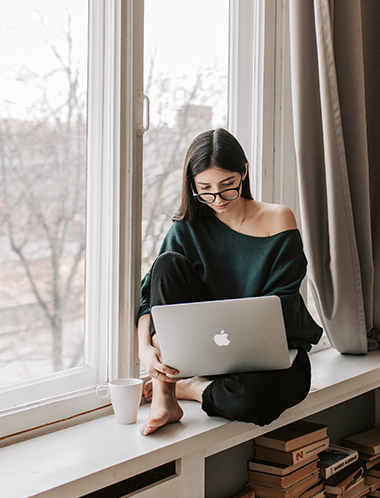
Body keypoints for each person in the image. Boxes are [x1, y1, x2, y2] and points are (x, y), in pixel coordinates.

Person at [137, 128, 323, 436]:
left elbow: (283, 303)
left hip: (271, 362)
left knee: (254, 399)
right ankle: (165, 396)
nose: (218, 199)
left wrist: (198, 384)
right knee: (166, 264)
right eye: (205, 189)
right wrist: (145, 348)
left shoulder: (277, 219)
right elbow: (150, 296)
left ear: (244, 172)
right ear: (192, 185)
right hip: (207, 355)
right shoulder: (186, 230)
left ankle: (192, 389)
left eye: (228, 186)